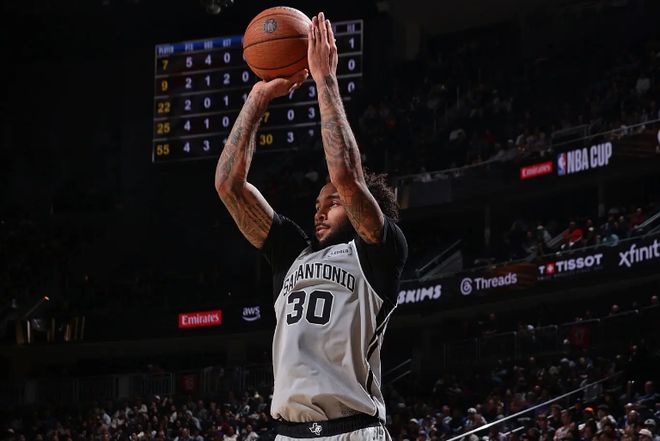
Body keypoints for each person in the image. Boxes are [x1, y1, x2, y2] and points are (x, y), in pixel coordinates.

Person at [214, 11, 408, 441]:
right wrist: (257, 99)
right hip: (289, 433)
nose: (318, 212)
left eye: (331, 203)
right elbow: (228, 186)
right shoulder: (292, 253)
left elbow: (347, 176)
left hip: (352, 430)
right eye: (317, 205)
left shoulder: (378, 252)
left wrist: (325, 80)